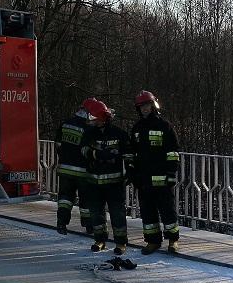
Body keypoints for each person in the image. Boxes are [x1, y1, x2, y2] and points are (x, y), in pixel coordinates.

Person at [128, 90, 181, 254]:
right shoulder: (137, 129)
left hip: (162, 179)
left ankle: (173, 240)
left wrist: (171, 174)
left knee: (168, 211)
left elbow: (173, 152)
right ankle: (153, 241)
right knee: (147, 213)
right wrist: (132, 174)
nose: (145, 109)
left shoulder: (164, 126)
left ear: (153, 105)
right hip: (143, 180)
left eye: (147, 105)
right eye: (141, 106)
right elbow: (132, 154)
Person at [81, 99, 130, 254]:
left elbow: (128, 154)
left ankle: (121, 243)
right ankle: (100, 239)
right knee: (96, 213)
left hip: (114, 182)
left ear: (104, 117)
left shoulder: (119, 134)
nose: (93, 121)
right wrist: (97, 154)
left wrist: (130, 170)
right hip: (93, 182)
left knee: (117, 213)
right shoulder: (88, 133)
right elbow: (82, 150)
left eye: (96, 118)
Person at [55, 99, 95, 235]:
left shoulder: (65, 124)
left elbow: (58, 145)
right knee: (86, 200)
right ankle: (89, 226)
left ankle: (61, 224)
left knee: (65, 198)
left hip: (65, 169)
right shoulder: (89, 128)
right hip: (83, 172)